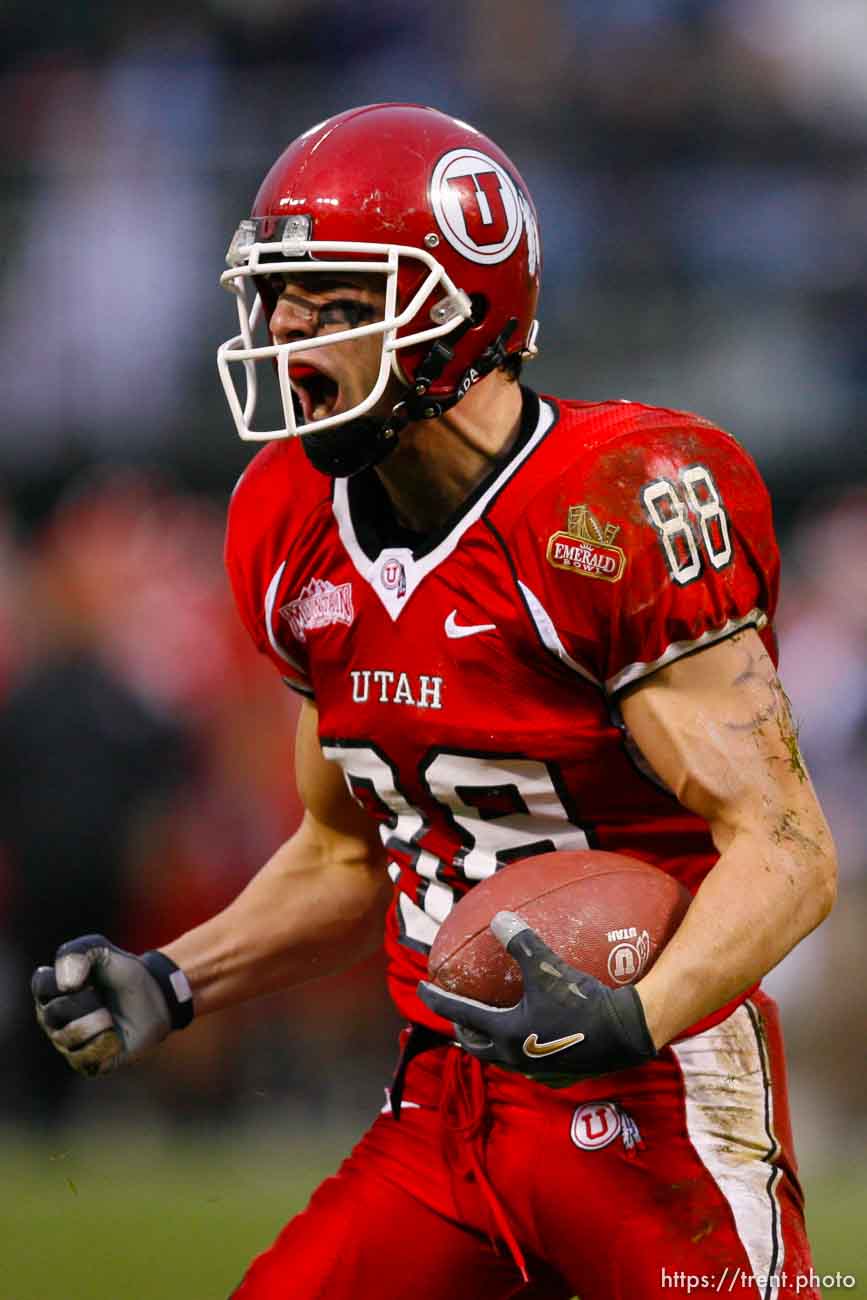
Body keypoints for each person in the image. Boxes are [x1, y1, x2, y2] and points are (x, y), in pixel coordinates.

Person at [32, 103, 836, 1300]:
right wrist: (177, 977)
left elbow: (788, 850)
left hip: (657, 1086)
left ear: (457, 315)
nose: (287, 337)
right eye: (279, 298)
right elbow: (344, 851)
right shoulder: (289, 521)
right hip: (448, 1103)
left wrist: (633, 1013)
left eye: (334, 304)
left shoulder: (609, 506)